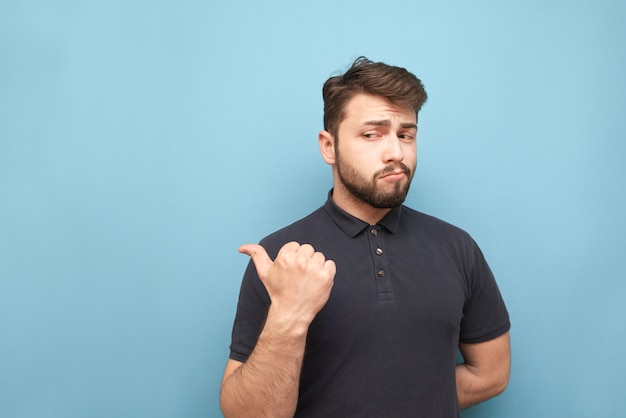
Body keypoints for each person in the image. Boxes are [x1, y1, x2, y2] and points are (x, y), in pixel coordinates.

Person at [220, 57, 511, 417]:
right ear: (329, 146)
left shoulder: (457, 247)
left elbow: (491, 375)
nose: (396, 152)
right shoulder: (279, 257)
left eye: (406, 134)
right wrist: (288, 315)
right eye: (372, 134)